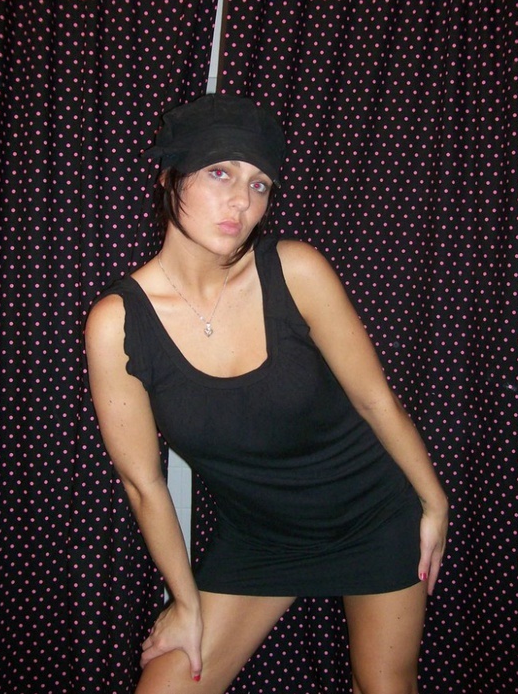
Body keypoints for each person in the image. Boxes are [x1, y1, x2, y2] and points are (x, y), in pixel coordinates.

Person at [84, 93, 449, 694]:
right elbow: (143, 482)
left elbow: (375, 400)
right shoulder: (117, 324)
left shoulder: (296, 271)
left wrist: (434, 502)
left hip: (373, 515)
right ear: (169, 176)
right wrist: (184, 600)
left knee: (384, 686)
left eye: (259, 184)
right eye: (219, 173)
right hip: (261, 537)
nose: (241, 201)